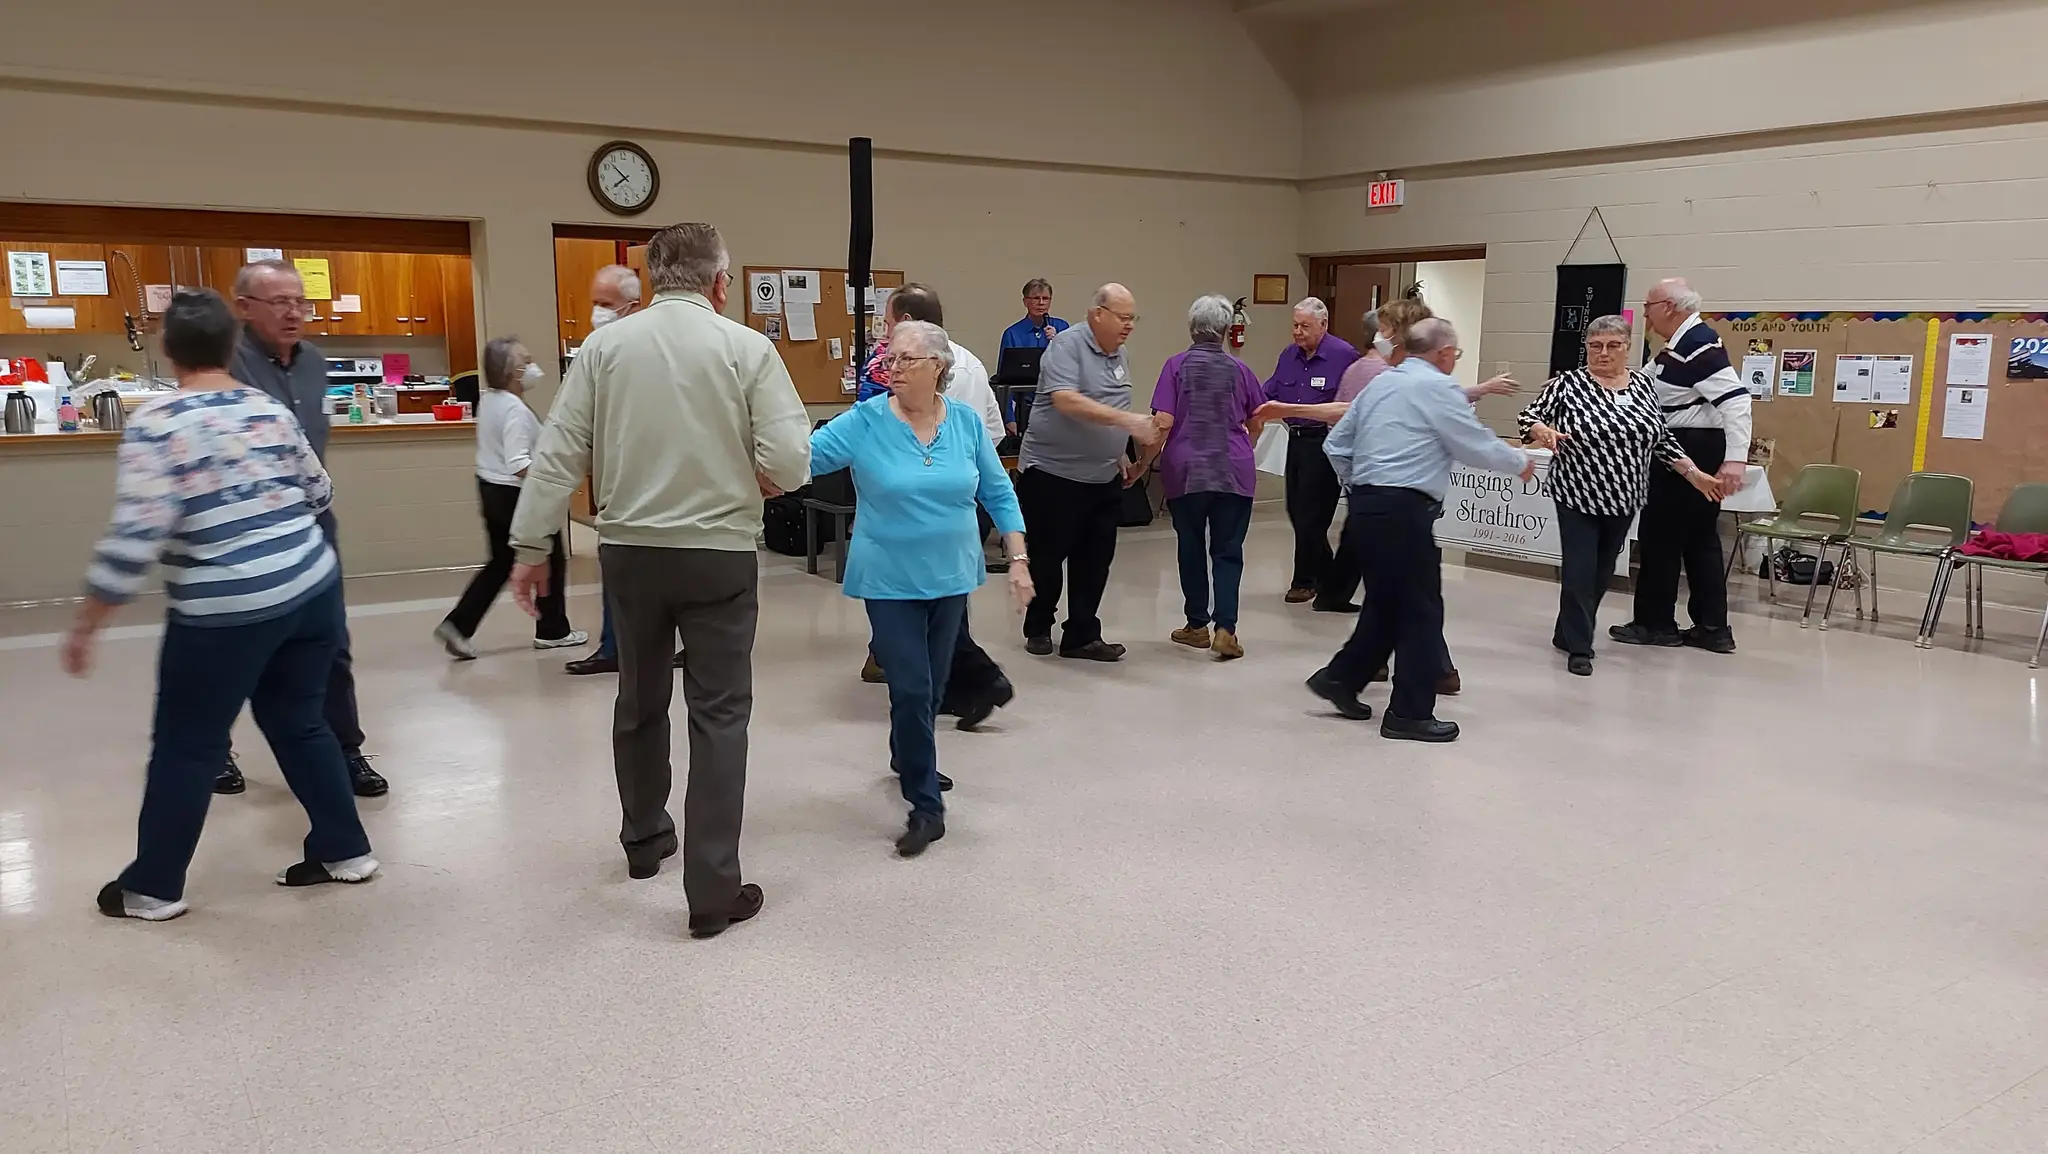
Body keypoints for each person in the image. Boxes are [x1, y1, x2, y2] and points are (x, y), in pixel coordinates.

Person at [506, 222, 810, 939]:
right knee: (719, 715)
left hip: (631, 554)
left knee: (638, 697)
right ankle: (711, 892)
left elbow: (557, 455)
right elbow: (793, 460)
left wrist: (529, 545)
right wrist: (758, 476)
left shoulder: (605, 348)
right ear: (720, 283)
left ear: (652, 280)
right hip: (717, 556)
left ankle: (645, 842)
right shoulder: (747, 349)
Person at [65, 290, 377, 922]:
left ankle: (153, 886)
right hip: (311, 589)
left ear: (167, 349)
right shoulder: (264, 407)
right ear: (233, 345)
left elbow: (135, 535)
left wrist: (87, 623)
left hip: (224, 611)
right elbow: (320, 490)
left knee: (187, 746)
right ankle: (347, 851)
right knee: (301, 721)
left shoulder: (158, 423)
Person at [809, 320, 1030, 856]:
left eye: (907, 359)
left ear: (938, 365)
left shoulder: (965, 424)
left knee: (930, 689)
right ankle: (926, 805)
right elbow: (800, 458)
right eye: (889, 360)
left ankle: (908, 754)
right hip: (887, 577)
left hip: (952, 573)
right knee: (909, 686)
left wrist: (1019, 558)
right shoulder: (864, 421)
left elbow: (998, 491)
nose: (894, 369)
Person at [1261, 298, 1513, 693]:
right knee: (1412, 598)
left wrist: (1360, 485)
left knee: (1397, 596)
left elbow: (1346, 421)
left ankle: (1356, 675)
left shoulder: (1395, 375)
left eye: (1383, 330)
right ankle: (1408, 686)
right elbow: (1344, 416)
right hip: (1395, 502)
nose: (1376, 338)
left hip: (1387, 501)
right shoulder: (1381, 374)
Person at [1305, 318, 1533, 743]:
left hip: (1367, 507)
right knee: (1422, 611)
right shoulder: (1437, 387)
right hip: (1403, 510)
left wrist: (1363, 485)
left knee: (1388, 604)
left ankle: (1340, 679)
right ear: (1444, 352)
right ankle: (1409, 712)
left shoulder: (1380, 385)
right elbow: (1472, 442)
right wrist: (1519, 462)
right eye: (1455, 354)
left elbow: (1336, 445)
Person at [224, 259, 387, 799]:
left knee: (331, 641)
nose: (294, 313)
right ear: (244, 308)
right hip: (245, 528)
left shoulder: (316, 362)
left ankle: (347, 749)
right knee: (239, 642)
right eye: (280, 302)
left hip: (313, 522)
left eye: (300, 302)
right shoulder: (226, 365)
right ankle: (214, 751)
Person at [1518, 316, 1720, 676]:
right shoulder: (1568, 384)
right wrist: (1542, 429)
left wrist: (1693, 473)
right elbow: (1528, 417)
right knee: (1580, 570)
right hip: (1577, 492)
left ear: (1628, 347)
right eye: (1595, 346)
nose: (1603, 353)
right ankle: (1581, 647)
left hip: (1625, 496)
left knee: (1601, 571)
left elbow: (1660, 438)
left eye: (1613, 345)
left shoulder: (1643, 385)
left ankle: (1567, 631)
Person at [1014, 283, 1159, 661]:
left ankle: (1081, 634)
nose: (1129, 326)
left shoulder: (1120, 355)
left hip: (1101, 477)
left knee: (1095, 560)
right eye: (1122, 318)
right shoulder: (1066, 346)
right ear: (1098, 314)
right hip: (1052, 475)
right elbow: (1065, 400)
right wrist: (1128, 421)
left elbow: (1113, 403)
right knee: (1047, 557)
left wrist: (1119, 456)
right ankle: (1039, 625)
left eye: (1132, 319)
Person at [1609, 278, 1753, 654]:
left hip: (1688, 448)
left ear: (1669, 307)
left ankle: (1656, 624)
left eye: (1648, 306)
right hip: (1692, 445)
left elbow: (1736, 402)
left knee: (1662, 538)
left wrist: (1736, 459)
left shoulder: (1697, 345)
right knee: (1699, 541)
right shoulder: (1678, 347)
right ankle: (1712, 627)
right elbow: (1643, 388)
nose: (1645, 314)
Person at [565, 266, 685, 677]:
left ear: (632, 306)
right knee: (622, 571)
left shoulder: (660, 350)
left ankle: (671, 645)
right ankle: (617, 648)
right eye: (594, 304)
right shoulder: (601, 353)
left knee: (675, 577)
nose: (596, 313)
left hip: (667, 483)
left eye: (605, 305)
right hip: (624, 491)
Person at [433, 337, 587, 658]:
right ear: (509, 371)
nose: (532, 367)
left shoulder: (490, 400)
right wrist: (549, 485)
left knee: (501, 562)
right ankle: (552, 629)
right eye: (525, 361)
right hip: (514, 495)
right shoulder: (515, 410)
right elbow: (518, 463)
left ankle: (459, 624)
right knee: (550, 558)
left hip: (489, 489)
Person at [1152, 294, 1268, 661]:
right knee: (1228, 550)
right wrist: (1242, 445)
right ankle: (1226, 629)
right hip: (1233, 468)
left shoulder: (1175, 366)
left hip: (1186, 469)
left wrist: (1141, 464)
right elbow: (1258, 419)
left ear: (1192, 328)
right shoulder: (1242, 371)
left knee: (1190, 544)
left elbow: (1163, 421)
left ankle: (1196, 624)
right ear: (1224, 330)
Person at [1264, 298, 1360, 609]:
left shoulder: (1343, 355)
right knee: (1296, 510)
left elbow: (1354, 401)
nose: (1298, 332)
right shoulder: (1288, 355)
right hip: (1296, 440)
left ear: (1323, 325)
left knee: (1313, 516)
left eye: (1305, 326)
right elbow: (1270, 390)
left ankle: (1304, 581)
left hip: (1326, 442)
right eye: (1295, 325)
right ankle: (1330, 578)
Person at [998, 278, 1069, 436]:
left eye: (1045, 298)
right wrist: (1009, 418)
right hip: (1026, 406)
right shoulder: (1013, 333)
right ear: (1025, 301)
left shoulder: (1062, 328)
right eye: (1036, 298)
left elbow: (1072, 365)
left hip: (1057, 404)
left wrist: (1057, 341)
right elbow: (1004, 379)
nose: (1041, 303)